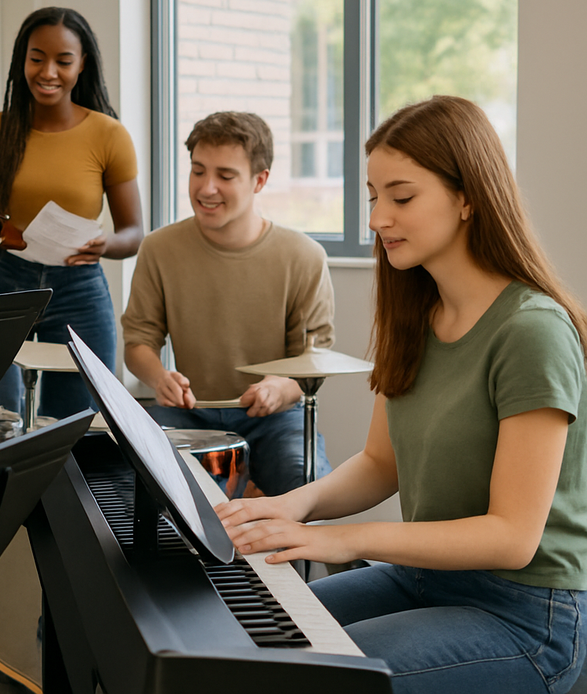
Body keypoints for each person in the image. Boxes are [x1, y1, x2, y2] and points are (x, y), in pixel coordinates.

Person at [217, 96, 587, 694]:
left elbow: (512, 537)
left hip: (527, 614)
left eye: (402, 197)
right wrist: (292, 506)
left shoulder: (532, 331)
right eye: (373, 196)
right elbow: (380, 464)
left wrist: (340, 538)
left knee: (313, 677)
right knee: (240, 637)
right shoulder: (415, 315)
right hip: (424, 577)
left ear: (467, 198)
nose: (377, 218)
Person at [122, 111, 334, 496]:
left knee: (307, 484)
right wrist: (159, 378)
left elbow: (312, 362)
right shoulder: (159, 248)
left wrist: (279, 388)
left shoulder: (304, 256)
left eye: (225, 175)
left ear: (260, 180)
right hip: (188, 412)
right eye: (198, 171)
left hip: (275, 418)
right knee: (124, 474)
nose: (206, 188)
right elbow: (138, 343)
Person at [0, 6, 143, 419]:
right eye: (37, 58)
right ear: (21, 60)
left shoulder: (109, 135)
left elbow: (133, 233)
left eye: (63, 61)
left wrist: (105, 244)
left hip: (80, 287)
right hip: (8, 282)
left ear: (82, 65)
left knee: (78, 421)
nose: (48, 72)